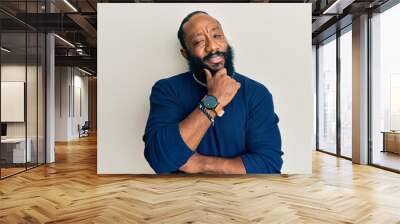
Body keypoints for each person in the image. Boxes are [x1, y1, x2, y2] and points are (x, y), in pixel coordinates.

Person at [142, 11, 283, 174]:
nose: (213, 46)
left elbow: (269, 164)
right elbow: (160, 160)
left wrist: (202, 164)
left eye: (217, 36)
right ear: (185, 53)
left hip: (240, 195)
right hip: (181, 196)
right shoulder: (167, 90)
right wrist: (213, 100)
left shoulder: (256, 93)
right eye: (198, 41)